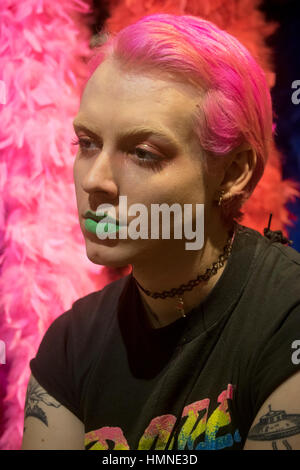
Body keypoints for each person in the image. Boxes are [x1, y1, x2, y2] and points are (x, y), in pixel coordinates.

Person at [21, 13, 300, 450]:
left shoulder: (286, 314)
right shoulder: (71, 343)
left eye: (143, 153)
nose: (95, 180)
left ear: (233, 172)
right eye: (87, 143)